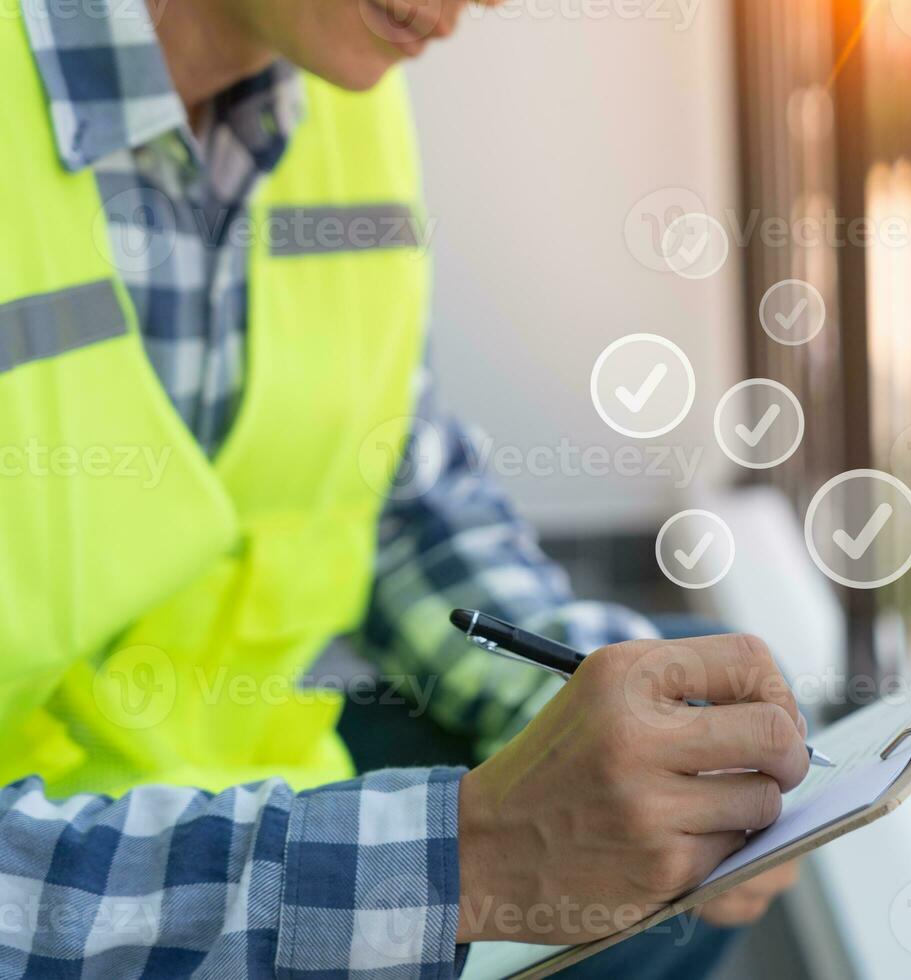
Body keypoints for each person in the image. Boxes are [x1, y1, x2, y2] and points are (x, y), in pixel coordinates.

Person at [0, 0, 803, 975]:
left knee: (672, 723)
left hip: (251, 788)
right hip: (56, 876)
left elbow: (399, 494)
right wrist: (463, 861)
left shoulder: (340, 90)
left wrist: (581, 699)